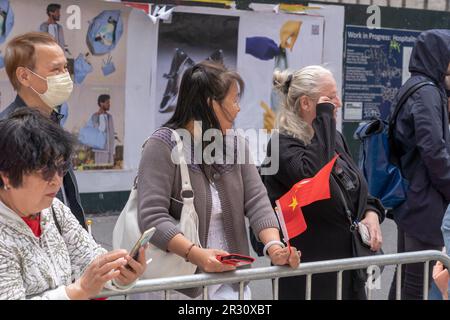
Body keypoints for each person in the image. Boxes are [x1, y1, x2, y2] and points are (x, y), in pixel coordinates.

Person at [137, 61, 300, 300]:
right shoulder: (162, 145)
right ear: (210, 103)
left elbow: (257, 202)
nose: (238, 109)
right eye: (234, 100)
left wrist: (275, 248)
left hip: (232, 284)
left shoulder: (235, 144)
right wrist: (196, 255)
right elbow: (152, 217)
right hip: (178, 289)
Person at [261, 66, 385, 300]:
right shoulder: (282, 144)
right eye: (329, 99)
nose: (337, 103)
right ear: (306, 104)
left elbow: (355, 190)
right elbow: (312, 178)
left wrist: (371, 213)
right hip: (309, 275)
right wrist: (325, 117)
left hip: (348, 269)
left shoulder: (334, 139)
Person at [0, 108, 147, 299]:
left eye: (61, 168)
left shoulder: (55, 210)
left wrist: (119, 275)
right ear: (8, 177)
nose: (56, 180)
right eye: (45, 170)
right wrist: (78, 291)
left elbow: (91, 260)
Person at [387, 29, 450, 300]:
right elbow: (434, 150)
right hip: (425, 202)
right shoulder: (427, 92)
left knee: (407, 278)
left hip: (412, 199)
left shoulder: (414, 86)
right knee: (418, 283)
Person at [0, 32, 86, 228]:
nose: (65, 76)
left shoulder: (53, 121)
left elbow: (68, 193)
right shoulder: (7, 132)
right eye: (55, 69)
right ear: (24, 76)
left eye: (65, 68)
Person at [90, 94, 115, 165]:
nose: (109, 104)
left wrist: (113, 151)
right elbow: (100, 130)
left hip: (109, 150)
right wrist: (101, 116)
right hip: (100, 151)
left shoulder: (109, 117)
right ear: (101, 103)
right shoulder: (95, 116)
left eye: (109, 103)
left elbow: (111, 134)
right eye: (107, 102)